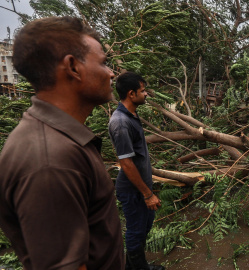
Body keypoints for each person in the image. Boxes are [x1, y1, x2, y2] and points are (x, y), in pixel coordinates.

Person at [0, 17, 124, 269]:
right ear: (72, 67)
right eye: (103, 63)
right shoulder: (50, 161)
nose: (111, 73)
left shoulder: (60, 139)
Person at [108, 72, 164, 270]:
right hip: (132, 190)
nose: (146, 94)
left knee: (145, 225)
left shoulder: (131, 115)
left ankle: (135, 266)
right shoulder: (120, 123)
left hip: (140, 186)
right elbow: (126, 164)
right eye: (142, 91)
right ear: (131, 94)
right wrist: (147, 194)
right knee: (136, 230)